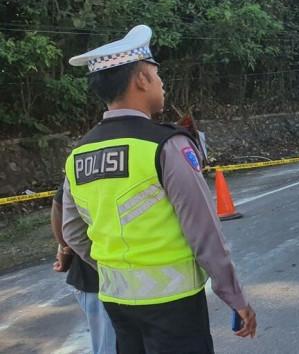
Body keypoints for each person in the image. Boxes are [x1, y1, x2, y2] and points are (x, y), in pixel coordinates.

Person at [61, 25, 257, 353]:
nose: (161, 82)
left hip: (117, 301)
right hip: (173, 302)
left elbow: (73, 232)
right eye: (156, 74)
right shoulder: (165, 145)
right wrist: (234, 297)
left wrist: (114, 271)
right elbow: (204, 232)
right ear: (141, 79)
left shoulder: (79, 153)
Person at [51, 185, 117, 354]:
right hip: (94, 278)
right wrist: (65, 249)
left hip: (108, 277)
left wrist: (65, 249)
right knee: (109, 345)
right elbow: (59, 206)